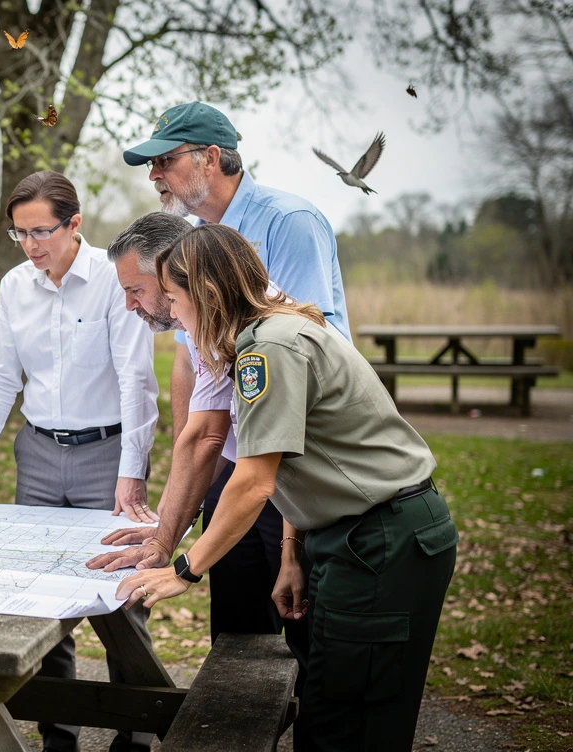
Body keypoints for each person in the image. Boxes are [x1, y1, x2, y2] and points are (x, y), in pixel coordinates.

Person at [116, 222, 456, 752]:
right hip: (350, 534)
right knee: (329, 702)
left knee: (351, 720)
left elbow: (253, 481)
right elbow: (297, 458)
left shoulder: (267, 350)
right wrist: (292, 552)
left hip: (381, 538)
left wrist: (185, 568)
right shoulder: (262, 335)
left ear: (205, 294)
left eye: (176, 299)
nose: (175, 315)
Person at [97, 102, 353, 685]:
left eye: (165, 160)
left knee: (314, 650)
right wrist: (166, 531)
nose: (154, 175)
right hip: (235, 468)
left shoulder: (288, 220)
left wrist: (284, 533)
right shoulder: (190, 245)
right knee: (235, 651)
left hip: (295, 474)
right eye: (151, 165)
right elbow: (202, 400)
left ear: (212, 158)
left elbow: (311, 345)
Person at [0, 170, 158, 752]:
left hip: (108, 455)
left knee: (122, 605)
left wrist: (132, 469)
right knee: (44, 603)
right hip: (38, 453)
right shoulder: (16, 283)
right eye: (19, 233)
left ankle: (134, 734)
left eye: (42, 231)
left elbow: (136, 379)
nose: (31, 245)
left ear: (74, 224)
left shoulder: (114, 279)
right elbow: (1, 374)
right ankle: (61, 735)